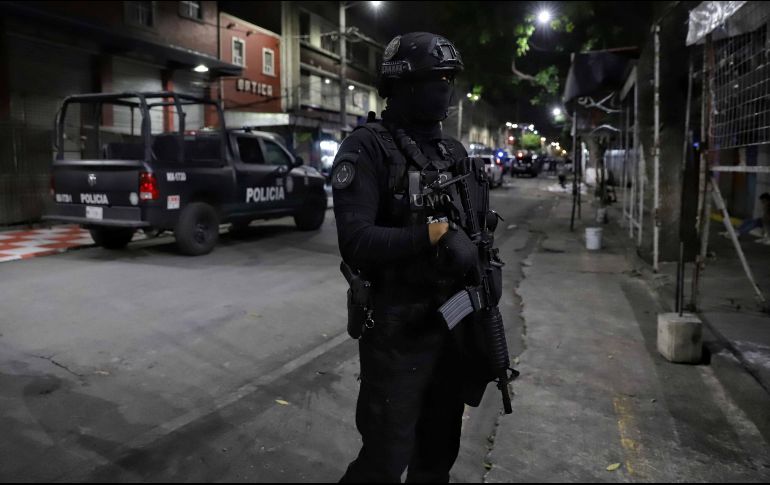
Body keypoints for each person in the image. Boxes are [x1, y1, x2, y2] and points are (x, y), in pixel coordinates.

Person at [332, 32, 495, 483]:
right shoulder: (366, 148)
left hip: (454, 326)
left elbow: (480, 235)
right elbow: (357, 240)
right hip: (396, 332)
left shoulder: (453, 153)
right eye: (436, 78)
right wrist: (432, 235)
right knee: (384, 459)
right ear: (402, 84)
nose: (446, 87)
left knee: (438, 453)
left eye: (450, 78)